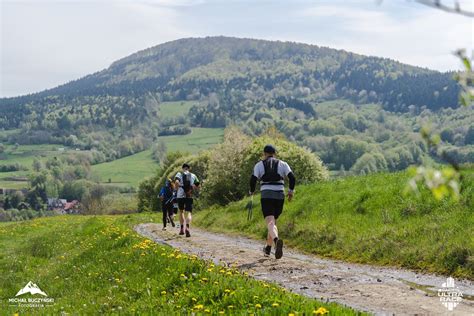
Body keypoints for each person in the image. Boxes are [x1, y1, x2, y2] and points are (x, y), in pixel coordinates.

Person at [249, 144, 295, 259]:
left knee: (270, 222)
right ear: (275, 154)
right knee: (273, 223)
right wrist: (290, 191)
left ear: (264, 154)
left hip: (267, 194)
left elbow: (253, 179)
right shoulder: (283, 164)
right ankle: (268, 249)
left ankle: (276, 240)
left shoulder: (259, 165)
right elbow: (292, 178)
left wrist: (252, 191)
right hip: (280, 194)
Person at [174, 163, 200, 237]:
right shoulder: (193, 175)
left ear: (183, 168)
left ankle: (182, 229)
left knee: (181, 211)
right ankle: (187, 227)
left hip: (180, 196)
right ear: (189, 168)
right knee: (188, 212)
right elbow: (198, 185)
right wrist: (191, 188)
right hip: (189, 195)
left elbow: (176, 182)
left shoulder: (179, 174)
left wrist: (176, 190)